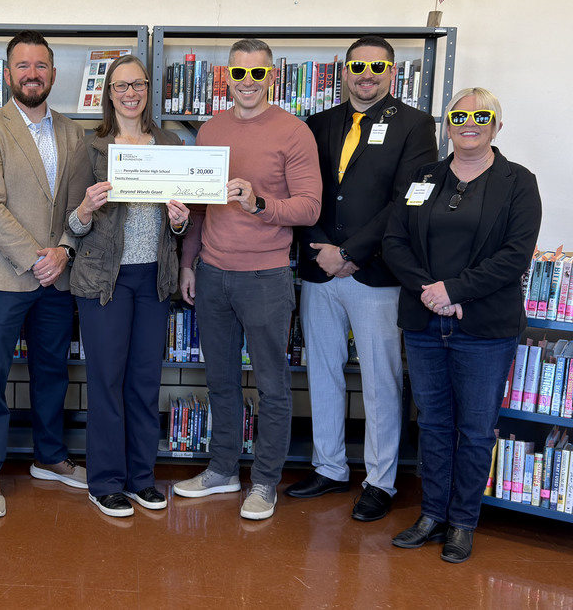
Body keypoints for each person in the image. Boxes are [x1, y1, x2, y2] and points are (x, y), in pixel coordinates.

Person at [384, 88, 541, 563]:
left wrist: (454, 291)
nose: (468, 123)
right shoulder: (423, 176)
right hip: (424, 320)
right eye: (459, 114)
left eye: (481, 115)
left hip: (484, 327)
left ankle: (462, 523)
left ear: (496, 124)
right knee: (432, 424)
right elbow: (394, 243)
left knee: (474, 430)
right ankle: (432, 514)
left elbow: (515, 256)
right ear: (447, 122)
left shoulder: (518, 181)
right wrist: (431, 292)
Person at [286, 37, 438, 521]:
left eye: (376, 66)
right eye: (357, 65)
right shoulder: (318, 124)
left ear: (391, 72)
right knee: (323, 372)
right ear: (344, 70)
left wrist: (350, 253)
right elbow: (301, 194)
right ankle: (329, 467)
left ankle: (381, 480)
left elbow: (407, 200)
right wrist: (325, 252)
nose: (365, 74)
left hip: (376, 272)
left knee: (380, 380)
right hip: (318, 268)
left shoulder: (415, 125)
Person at [172, 38, 322, 521]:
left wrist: (260, 203)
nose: (248, 83)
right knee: (220, 382)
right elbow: (197, 209)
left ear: (271, 77)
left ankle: (265, 482)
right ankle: (221, 470)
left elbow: (309, 206)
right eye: (240, 74)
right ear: (227, 77)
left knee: (273, 387)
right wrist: (189, 262)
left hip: (266, 276)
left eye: (258, 74)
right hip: (214, 275)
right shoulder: (211, 130)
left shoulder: (294, 132)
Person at [0, 30, 87, 518]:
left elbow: (82, 205)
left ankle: (49, 455)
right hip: (4, 276)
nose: (32, 73)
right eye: (23, 65)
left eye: (41, 66)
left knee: (52, 372)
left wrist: (63, 251)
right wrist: (36, 256)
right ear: (8, 73)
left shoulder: (74, 132)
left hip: (57, 276)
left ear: (53, 75)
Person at [65, 55, 190, 518]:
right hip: (104, 281)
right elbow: (71, 224)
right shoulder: (91, 148)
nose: (130, 93)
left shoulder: (170, 143)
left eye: (138, 84)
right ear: (109, 93)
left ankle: (141, 479)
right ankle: (105, 482)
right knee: (106, 382)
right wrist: (85, 209)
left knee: (144, 383)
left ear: (147, 90)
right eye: (121, 86)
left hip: (153, 278)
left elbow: (178, 224)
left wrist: (179, 223)